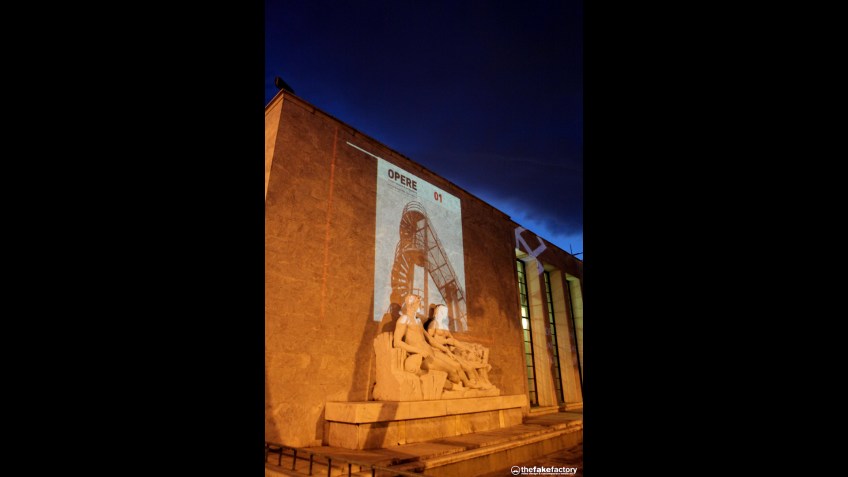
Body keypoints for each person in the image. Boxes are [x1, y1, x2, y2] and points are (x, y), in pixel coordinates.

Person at [393, 295, 478, 389]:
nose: (421, 306)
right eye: (419, 303)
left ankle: (467, 383)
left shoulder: (418, 321)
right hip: (422, 356)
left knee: (457, 365)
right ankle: (455, 387)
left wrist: (445, 349)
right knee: (452, 371)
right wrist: (419, 351)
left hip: (430, 351)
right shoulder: (404, 319)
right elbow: (397, 342)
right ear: (411, 304)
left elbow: (430, 339)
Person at [427, 305, 494, 390]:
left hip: (448, 351)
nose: (445, 314)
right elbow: (430, 341)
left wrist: (466, 348)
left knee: (469, 367)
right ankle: (469, 383)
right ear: (439, 312)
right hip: (439, 351)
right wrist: (446, 341)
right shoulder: (433, 324)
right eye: (444, 312)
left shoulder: (444, 326)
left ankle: (476, 383)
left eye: (446, 312)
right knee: (462, 366)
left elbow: (453, 340)